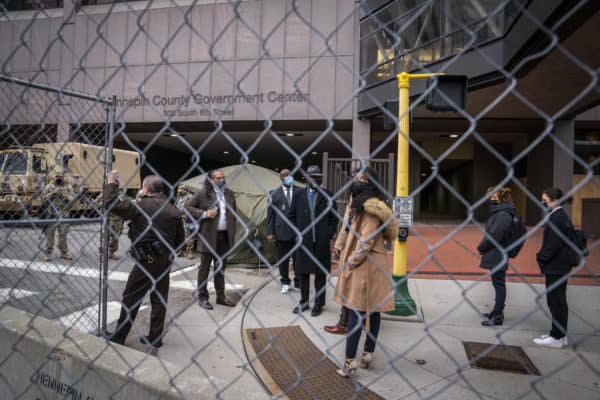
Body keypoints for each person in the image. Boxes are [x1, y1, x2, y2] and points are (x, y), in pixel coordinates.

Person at [106, 171, 184, 348]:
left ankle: (120, 336)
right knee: (159, 298)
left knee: (131, 296)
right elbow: (180, 240)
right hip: (164, 261)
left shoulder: (141, 206)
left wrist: (111, 183)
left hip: (146, 260)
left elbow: (110, 203)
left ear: (146, 188)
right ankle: (155, 337)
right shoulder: (174, 210)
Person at [333, 176, 397, 377]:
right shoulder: (361, 207)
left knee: (356, 312)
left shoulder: (370, 211)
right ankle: (367, 353)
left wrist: (350, 262)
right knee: (371, 311)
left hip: (366, 268)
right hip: (370, 266)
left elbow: (365, 244)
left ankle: (349, 362)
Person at [325, 167, 373, 335]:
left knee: (352, 287)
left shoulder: (371, 202)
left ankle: (348, 322)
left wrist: (342, 247)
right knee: (349, 286)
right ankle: (347, 321)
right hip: (352, 245)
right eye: (354, 178)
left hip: (359, 248)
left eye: (360, 179)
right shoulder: (357, 196)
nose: (356, 181)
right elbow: (347, 222)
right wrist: (339, 245)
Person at [185, 170, 237, 310]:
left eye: (223, 177)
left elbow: (234, 215)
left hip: (224, 236)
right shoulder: (203, 193)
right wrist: (204, 214)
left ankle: (221, 297)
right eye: (218, 178)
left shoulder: (230, 193)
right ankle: (203, 298)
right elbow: (188, 206)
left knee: (220, 268)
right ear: (211, 180)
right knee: (205, 268)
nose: (222, 180)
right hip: (208, 236)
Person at [290, 165, 337, 317]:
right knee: (303, 273)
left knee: (320, 274)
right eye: (312, 177)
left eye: (318, 176)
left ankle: (319, 303)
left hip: (321, 242)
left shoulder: (328, 195)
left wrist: (328, 233)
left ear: (321, 178)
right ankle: (304, 301)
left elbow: (334, 217)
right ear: (307, 178)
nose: (315, 179)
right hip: (304, 242)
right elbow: (291, 216)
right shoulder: (298, 195)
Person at [534, 188, 575, 349]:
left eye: (546, 200)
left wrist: (541, 257)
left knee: (555, 300)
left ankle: (557, 337)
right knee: (558, 300)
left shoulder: (557, 218)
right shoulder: (557, 216)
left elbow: (553, 244)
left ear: (555, 200)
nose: (543, 203)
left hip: (556, 265)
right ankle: (558, 334)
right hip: (559, 265)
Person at [476, 187, 518, 327]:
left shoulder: (503, 214)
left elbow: (495, 235)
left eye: (492, 196)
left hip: (497, 253)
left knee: (499, 283)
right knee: (497, 282)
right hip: (496, 252)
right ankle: (496, 311)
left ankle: (498, 314)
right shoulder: (499, 212)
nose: (490, 198)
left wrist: (482, 247)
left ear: (499, 197)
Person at [266, 169, 300, 293]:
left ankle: (298, 282)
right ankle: (285, 282)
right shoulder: (274, 193)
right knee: (283, 259)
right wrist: (270, 232)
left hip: (297, 231)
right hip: (280, 231)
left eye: (290, 175)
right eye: (286, 176)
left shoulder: (299, 191)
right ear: (281, 179)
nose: (289, 178)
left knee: (298, 258)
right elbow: (270, 214)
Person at [42, 175, 76, 261]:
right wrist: (52, 193)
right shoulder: (49, 186)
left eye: (61, 176)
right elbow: (43, 198)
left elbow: (73, 199)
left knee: (63, 234)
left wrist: (64, 195)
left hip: (63, 213)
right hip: (51, 213)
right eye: (57, 176)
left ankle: (64, 253)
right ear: (54, 177)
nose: (59, 178)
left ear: (63, 177)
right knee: (49, 234)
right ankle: (47, 254)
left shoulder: (68, 187)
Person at [175, 185, 196, 260]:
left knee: (188, 235)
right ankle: (180, 250)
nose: (179, 191)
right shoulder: (179, 197)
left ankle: (190, 251)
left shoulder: (190, 197)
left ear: (186, 190)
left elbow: (193, 208)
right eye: (179, 190)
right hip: (179, 218)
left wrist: (187, 215)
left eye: (181, 190)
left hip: (187, 219)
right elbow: (176, 207)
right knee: (179, 234)